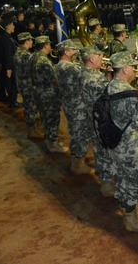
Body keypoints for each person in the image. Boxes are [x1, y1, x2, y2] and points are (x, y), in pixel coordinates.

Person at [106, 51, 138, 232]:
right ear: (124, 69)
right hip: (130, 147)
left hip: (115, 143)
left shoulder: (110, 86)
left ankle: (125, 207)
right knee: (132, 183)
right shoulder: (129, 94)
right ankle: (131, 219)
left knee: (122, 178)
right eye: (132, 66)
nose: (134, 69)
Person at [54, 39, 94, 175]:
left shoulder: (59, 66)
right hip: (77, 106)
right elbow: (89, 73)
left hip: (70, 104)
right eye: (72, 50)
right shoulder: (70, 67)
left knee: (77, 132)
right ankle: (77, 164)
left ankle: (77, 161)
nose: (76, 51)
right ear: (66, 52)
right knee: (80, 134)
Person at [79, 45, 114, 196]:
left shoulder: (87, 73)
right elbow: (110, 93)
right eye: (100, 56)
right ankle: (106, 185)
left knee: (100, 150)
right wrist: (115, 76)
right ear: (92, 59)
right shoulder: (93, 78)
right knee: (103, 151)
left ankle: (105, 178)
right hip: (100, 120)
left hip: (93, 117)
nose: (102, 58)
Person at [29, 35, 67, 153]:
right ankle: (53, 144)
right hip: (48, 94)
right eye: (49, 44)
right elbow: (54, 80)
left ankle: (50, 141)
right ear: (45, 46)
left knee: (45, 118)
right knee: (52, 119)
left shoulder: (33, 56)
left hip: (38, 91)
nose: (50, 46)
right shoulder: (44, 60)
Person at [14, 32, 42, 139]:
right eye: (30, 40)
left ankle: (33, 129)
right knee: (31, 108)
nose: (32, 42)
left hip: (24, 85)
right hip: (28, 85)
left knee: (29, 107)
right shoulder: (25, 55)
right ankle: (31, 131)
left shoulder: (19, 52)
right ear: (26, 41)